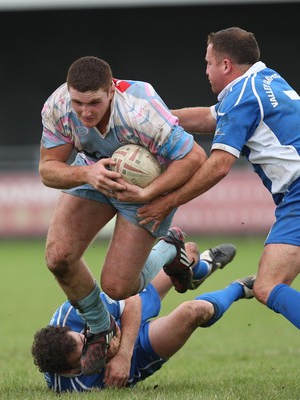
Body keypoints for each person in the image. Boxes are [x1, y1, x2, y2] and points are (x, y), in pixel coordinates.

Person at [121, 27, 300, 330]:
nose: (205, 70)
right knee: (272, 283)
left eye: (208, 63)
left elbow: (218, 165)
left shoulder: (243, 96)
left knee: (268, 285)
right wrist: (150, 119)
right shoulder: (264, 80)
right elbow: (209, 117)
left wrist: (167, 202)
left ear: (226, 65)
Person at [39, 56, 207, 374]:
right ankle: (101, 330)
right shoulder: (59, 106)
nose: (85, 111)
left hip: (149, 187)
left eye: (94, 103)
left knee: (118, 288)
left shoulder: (140, 112)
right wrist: (87, 176)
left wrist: (147, 193)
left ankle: (170, 248)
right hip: (94, 171)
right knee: (58, 258)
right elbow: (48, 170)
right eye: (78, 102)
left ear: (111, 92)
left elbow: (195, 157)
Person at [32, 232, 254, 392]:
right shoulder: (76, 386)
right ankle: (240, 289)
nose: (93, 346)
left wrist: (122, 354)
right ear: (70, 370)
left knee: (189, 251)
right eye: (84, 356)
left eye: (84, 339)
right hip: (138, 353)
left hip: (126, 313)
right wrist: (124, 358)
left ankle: (200, 269)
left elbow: (132, 302)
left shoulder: (75, 312)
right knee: (195, 311)